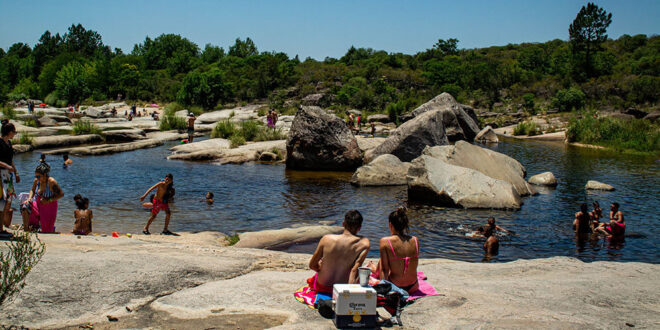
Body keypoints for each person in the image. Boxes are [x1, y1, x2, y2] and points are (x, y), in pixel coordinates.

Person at [307, 210, 370, 293]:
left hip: (322, 286)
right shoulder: (364, 243)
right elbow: (354, 271)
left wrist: (322, 267)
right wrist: (350, 292)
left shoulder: (326, 239)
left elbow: (312, 265)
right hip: (342, 288)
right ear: (359, 228)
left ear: (343, 223)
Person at [367, 207, 420, 293]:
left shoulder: (385, 241)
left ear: (390, 225)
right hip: (413, 286)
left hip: (396, 287)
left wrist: (383, 288)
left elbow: (384, 270)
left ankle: (373, 268)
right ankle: (373, 268)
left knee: (384, 260)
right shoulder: (415, 240)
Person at [23, 159, 64, 233]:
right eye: (36, 176)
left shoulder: (51, 182)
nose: (37, 178)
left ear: (45, 175)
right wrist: (29, 198)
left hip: (49, 206)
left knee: (46, 231)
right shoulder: (36, 181)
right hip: (38, 205)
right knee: (25, 206)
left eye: (39, 176)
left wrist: (48, 200)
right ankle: (26, 230)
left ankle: (50, 228)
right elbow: (32, 190)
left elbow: (61, 194)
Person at [0, 120, 20, 238]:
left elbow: (10, 159)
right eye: (14, 132)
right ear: (8, 132)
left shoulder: (9, 144)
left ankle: (2, 227)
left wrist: (16, 172)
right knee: (1, 202)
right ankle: (0, 229)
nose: (14, 134)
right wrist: (7, 166)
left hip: (8, 175)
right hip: (1, 174)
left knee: (6, 202)